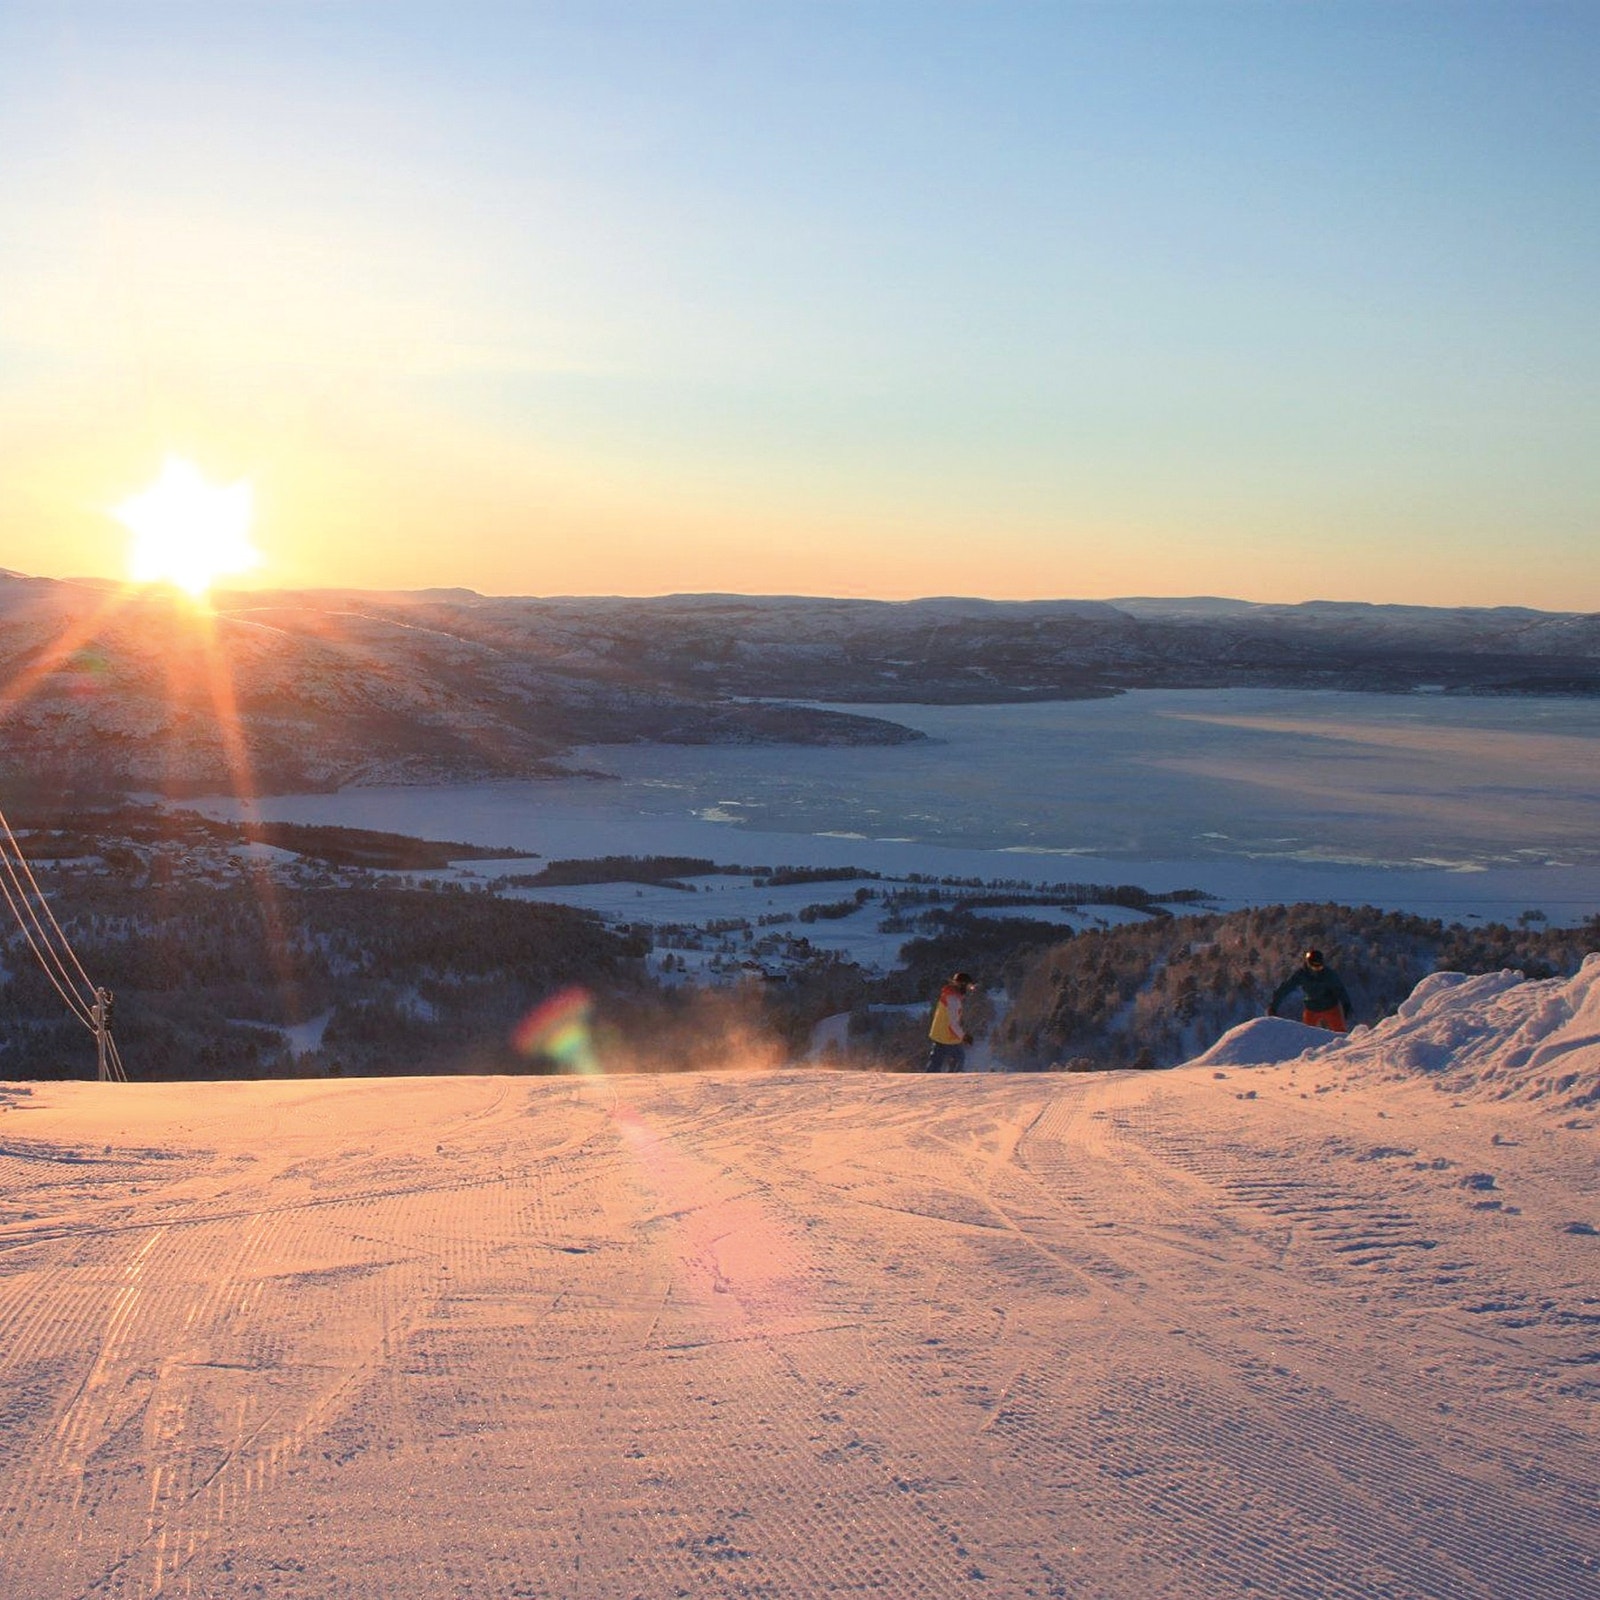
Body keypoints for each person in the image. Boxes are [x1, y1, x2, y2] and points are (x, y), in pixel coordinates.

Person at [1268, 949, 1353, 1032]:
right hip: (1312, 1008)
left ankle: (1347, 1046)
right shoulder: (1301, 975)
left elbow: (1339, 989)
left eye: (1320, 967)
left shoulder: (1329, 974)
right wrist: (1274, 1006)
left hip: (1330, 1007)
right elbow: (1286, 988)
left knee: (1340, 1032)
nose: (1317, 969)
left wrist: (1346, 1004)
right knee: (1307, 1034)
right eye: (1314, 966)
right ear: (1308, 964)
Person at [925, 971, 976, 1072]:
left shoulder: (950, 995)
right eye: (969, 987)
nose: (969, 989)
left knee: (936, 1062)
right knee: (958, 1059)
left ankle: (930, 1079)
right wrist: (964, 1036)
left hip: (941, 1035)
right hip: (947, 1037)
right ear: (963, 985)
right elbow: (952, 1023)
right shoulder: (953, 1000)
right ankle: (952, 1082)